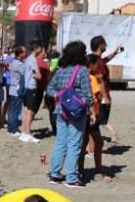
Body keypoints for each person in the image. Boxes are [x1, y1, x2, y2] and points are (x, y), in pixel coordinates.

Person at [45, 41, 94, 188]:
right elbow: (88, 94)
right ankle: (71, 177)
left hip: (61, 109)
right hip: (77, 111)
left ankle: (55, 173)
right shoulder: (82, 70)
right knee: (74, 144)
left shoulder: (60, 70)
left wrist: (60, 95)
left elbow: (50, 89)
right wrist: (87, 104)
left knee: (60, 142)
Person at [78, 54, 111, 183]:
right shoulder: (91, 78)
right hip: (92, 113)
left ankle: (80, 170)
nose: (98, 67)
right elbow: (97, 96)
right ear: (91, 64)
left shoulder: (81, 76)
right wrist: (101, 82)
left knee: (84, 142)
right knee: (98, 142)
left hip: (82, 113)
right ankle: (98, 170)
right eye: (96, 64)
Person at [90, 36, 121, 143]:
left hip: (99, 94)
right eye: (104, 43)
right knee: (97, 121)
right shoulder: (97, 62)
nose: (106, 45)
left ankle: (93, 146)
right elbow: (100, 80)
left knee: (98, 120)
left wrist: (115, 53)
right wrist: (105, 97)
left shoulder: (96, 60)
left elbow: (105, 60)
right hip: (99, 95)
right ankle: (94, 146)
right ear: (100, 45)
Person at [20, 41, 44, 143]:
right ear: (37, 49)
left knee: (26, 110)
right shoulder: (33, 60)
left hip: (26, 87)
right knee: (30, 111)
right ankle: (27, 133)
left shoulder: (27, 59)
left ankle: (24, 132)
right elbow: (39, 75)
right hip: (31, 87)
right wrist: (36, 75)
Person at [6, 46, 26, 138]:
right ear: (20, 53)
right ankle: (13, 129)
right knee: (15, 110)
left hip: (12, 88)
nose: (26, 53)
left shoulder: (12, 62)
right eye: (24, 52)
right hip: (17, 89)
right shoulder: (19, 64)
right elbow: (27, 73)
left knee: (11, 110)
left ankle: (10, 128)